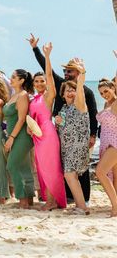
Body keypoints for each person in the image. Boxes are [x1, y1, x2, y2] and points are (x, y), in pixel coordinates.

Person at [28, 34, 98, 203]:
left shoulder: (86, 91)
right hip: (62, 132)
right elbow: (48, 71)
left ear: (77, 72)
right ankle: (69, 196)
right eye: (65, 71)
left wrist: (93, 135)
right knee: (65, 164)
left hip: (80, 134)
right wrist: (36, 49)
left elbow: (93, 113)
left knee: (81, 169)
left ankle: (85, 199)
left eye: (69, 71)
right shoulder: (61, 85)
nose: (66, 73)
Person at [28, 44, 66, 210]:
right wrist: (29, 128)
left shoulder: (48, 96)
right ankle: (50, 199)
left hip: (48, 133)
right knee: (42, 167)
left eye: (42, 80)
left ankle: (52, 201)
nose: (39, 83)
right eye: (36, 81)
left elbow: (49, 74)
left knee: (51, 167)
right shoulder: (33, 99)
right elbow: (32, 118)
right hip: (37, 135)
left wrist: (47, 56)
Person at [55, 65, 91, 215]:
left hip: (78, 146)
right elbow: (62, 129)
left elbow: (80, 88)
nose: (70, 92)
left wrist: (81, 73)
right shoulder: (63, 109)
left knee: (70, 175)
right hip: (66, 148)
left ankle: (82, 207)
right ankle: (80, 205)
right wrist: (57, 123)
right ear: (62, 94)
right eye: (67, 90)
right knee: (71, 176)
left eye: (72, 90)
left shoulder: (79, 105)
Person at [5, 69, 35, 209]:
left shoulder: (22, 95)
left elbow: (22, 119)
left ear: (21, 80)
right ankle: (28, 200)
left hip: (21, 136)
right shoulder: (14, 95)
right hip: (15, 135)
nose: (10, 79)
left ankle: (22, 200)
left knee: (12, 165)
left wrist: (11, 138)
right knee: (23, 167)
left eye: (13, 77)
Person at [96, 78, 117, 217]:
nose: (104, 94)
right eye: (101, 93)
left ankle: (116, 206)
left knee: (100, 172)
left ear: (113, 88)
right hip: (106, 143)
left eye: (106, 91)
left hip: (115, 143)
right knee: (115, 177)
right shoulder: (106, 104)